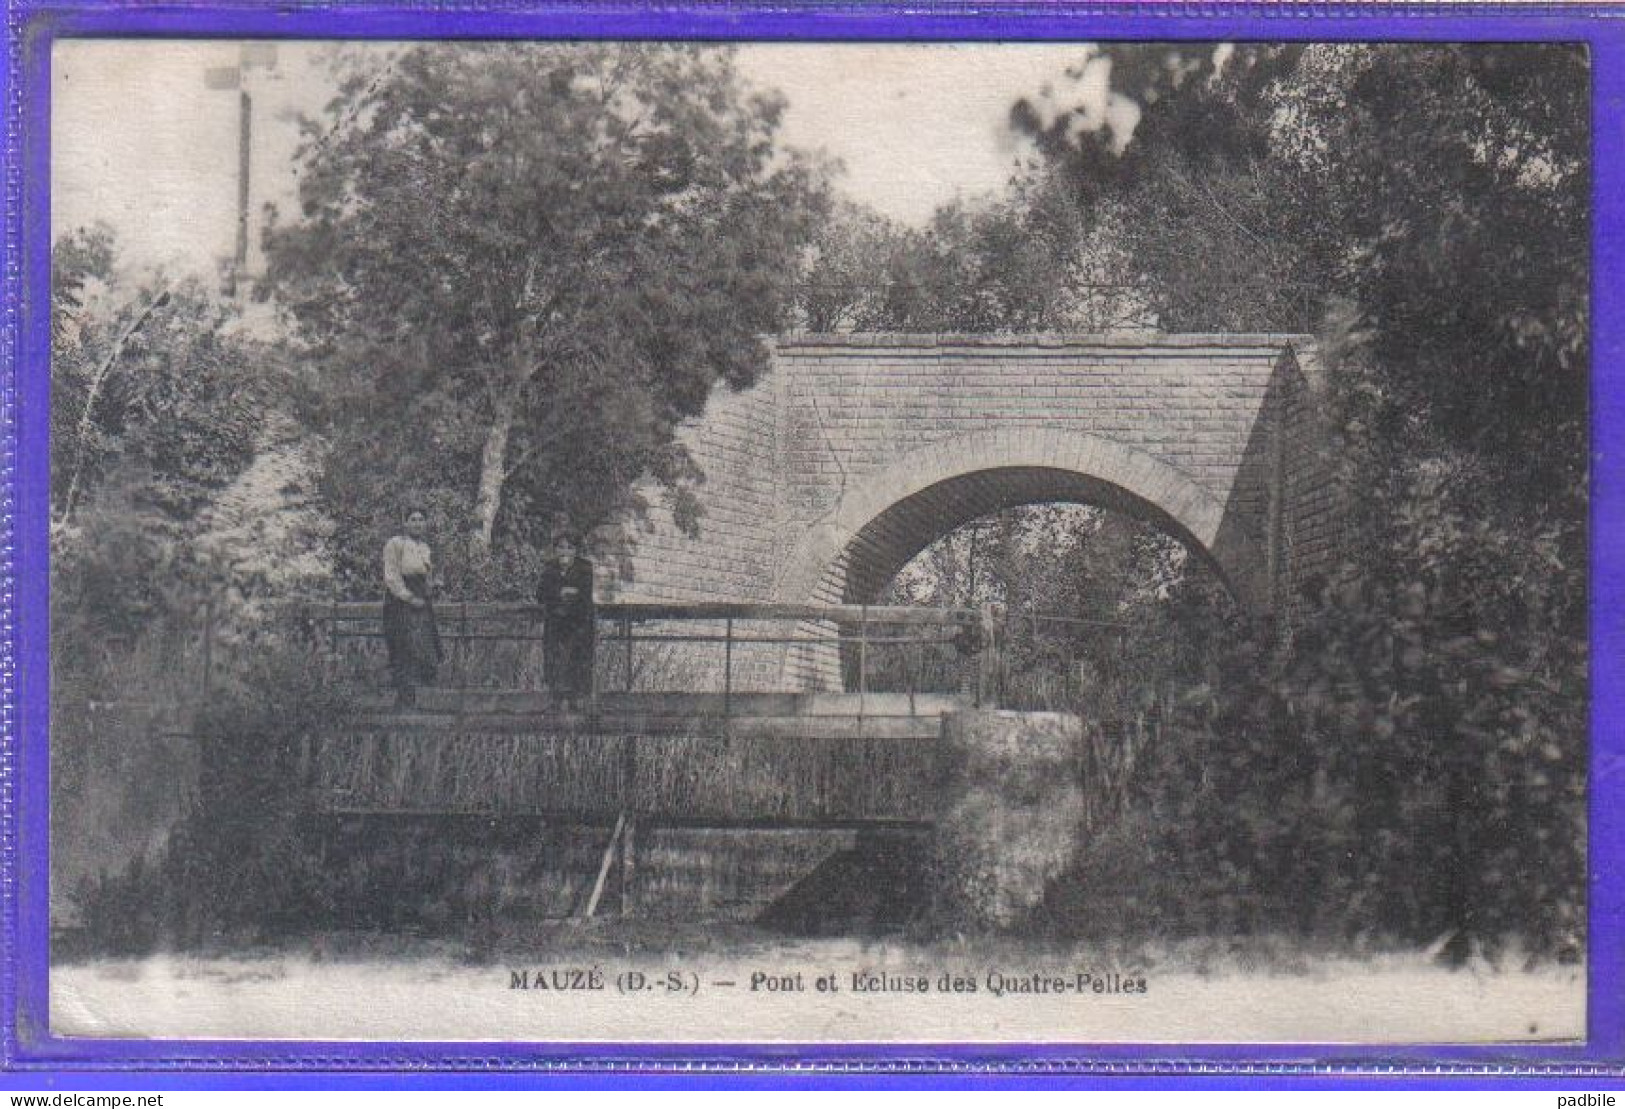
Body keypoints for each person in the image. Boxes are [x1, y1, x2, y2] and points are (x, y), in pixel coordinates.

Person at [382, 508, 442, 707]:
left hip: (422, 600)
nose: (417, 523)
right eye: (413, 519)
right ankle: (403, 701)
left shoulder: (425, 547)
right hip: (400, 602)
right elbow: (391, 576)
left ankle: (425, 702)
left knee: (426, 648)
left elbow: (427, 575)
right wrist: (408, 597)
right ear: (405, 523)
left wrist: (432, 586)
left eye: (421, 519)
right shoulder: (395, 544)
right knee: (404, 648)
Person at [537, 533, 597, 710]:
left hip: (577, 623)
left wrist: (569, 594)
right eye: (561, 547)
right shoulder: (549, 569)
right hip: (556, 623)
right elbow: (540, 594)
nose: (565, 552)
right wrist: (560, 592)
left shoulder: (585, 568)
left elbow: (585, 595)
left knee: (577, 659)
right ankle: (555, 699)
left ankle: (575, 701)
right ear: (555, 550)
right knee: (554, 659)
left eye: (569, 548)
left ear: (576, 551)